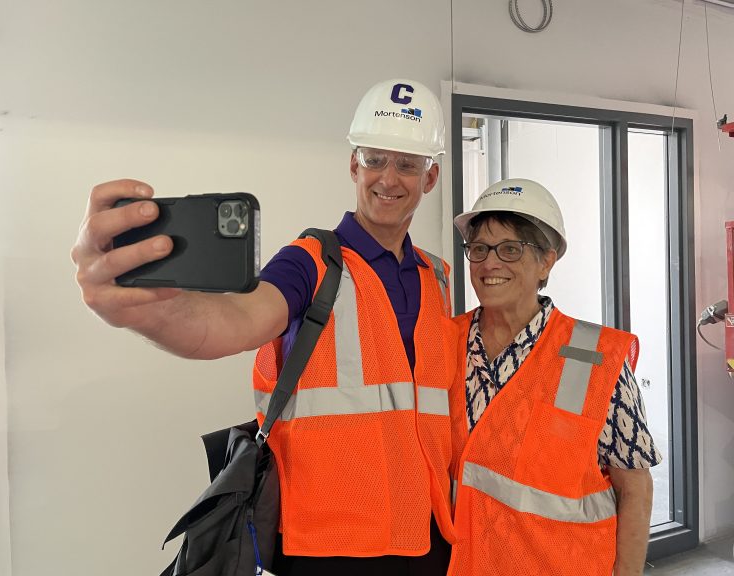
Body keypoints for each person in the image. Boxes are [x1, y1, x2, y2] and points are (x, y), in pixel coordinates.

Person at [71, 79, 456, 576]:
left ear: (430, 178)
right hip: (329, 549)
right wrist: (147, 311)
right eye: (375, 159)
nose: (389, 177)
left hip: (428, 540)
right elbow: (234, 321)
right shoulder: (312, 263)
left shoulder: (438, 277)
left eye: (407, 163)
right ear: (353, 165)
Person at [447, 178, 661, 576]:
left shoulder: (593, 357)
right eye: (478, 249)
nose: (490, 263)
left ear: (547, 261)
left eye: (510, 249)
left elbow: (634, 487)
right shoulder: (447, 343)